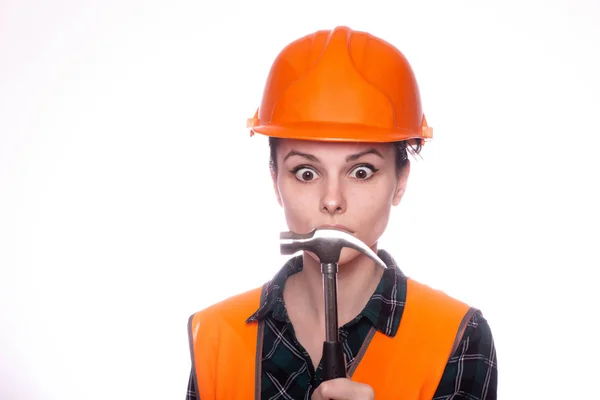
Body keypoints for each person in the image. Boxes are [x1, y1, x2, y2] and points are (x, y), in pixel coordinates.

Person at [186, 25, 497, 399]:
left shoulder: (457, 336)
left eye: (361, 171)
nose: (332, 200)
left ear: (400, 181)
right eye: (306, 172)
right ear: (275, 180)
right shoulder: (215, 336)